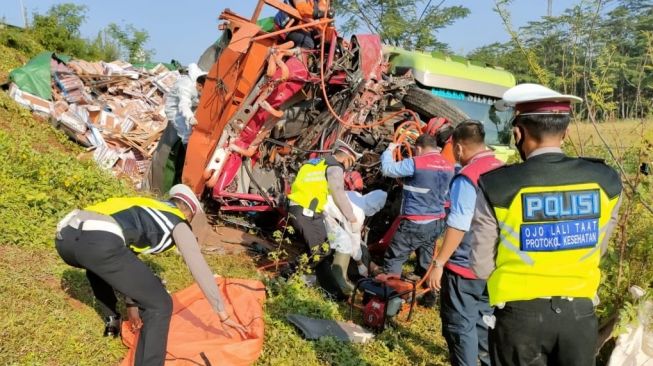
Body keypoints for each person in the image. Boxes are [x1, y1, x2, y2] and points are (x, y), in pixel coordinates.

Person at [469, 83, 623, 366]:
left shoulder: (497, 185)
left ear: (519, 133)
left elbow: (480, 264)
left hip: (518, 320)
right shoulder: (606, 181)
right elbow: (599, 245)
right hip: (580, 317)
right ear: (565, 132)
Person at [55, 184, 247, 366]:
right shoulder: (178, 221)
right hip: (100, 242)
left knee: (100, 264)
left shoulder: (146, 205)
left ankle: (112, 322)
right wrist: (221, 312)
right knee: (161, 304)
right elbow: (198, 265)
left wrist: (132, 304)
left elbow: (126, 262)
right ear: (189, 213)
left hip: (66, 239)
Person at [427, 120, 504, 366]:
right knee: (485, 320)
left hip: (464, 266)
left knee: (459, 327)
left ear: (459, 148)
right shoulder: (503, 169)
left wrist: (439, 263)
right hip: (496, 265)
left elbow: (458, 225)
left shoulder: (467, 178)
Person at [285, 140, 361, 297]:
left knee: (322, 250)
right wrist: (352, 218)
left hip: (298, 207)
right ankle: (284, 275)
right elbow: (338, 193)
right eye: (351, 163)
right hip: (307, 211)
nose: (349, 167)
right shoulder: (335, 167)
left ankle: (333, 293)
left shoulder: (313, 163)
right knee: (319, 251)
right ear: (346, 158)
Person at [380, 133, 454, 278]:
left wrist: (389, 150)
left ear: (418, 149)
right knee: (426, 254)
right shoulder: (448, 165)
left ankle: (390, 293)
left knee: (395, 256)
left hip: (416, 221)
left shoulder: (416, 162)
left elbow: (387, 169)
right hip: (438, 221)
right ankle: (427, 291)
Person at [147, 64, 207, 194]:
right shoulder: (184, 87)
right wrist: (190, 118)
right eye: (203, 91)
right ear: (199, 86)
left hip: (192, 107)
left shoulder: (203, 78)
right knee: (186, 134)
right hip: (175, 110)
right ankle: (188, 156)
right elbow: (183, 105)